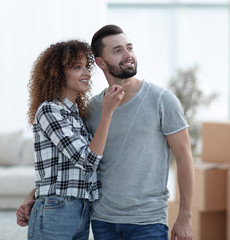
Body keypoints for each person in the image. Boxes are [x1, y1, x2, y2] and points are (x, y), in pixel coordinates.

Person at [18, 25, 195, 240]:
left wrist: (185, 216)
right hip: (101, 221)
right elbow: (74, 161)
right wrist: (37, 193)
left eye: (130, 47)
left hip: (147, 221)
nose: (128, 54)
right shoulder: (91, 110)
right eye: (118, 50)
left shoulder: (162, 100)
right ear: (100, 62)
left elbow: (185, 159)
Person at [16, 39, 128, 239]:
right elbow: (87, 161)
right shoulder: (49, 110)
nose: (86, 72)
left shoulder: (76, 114)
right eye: (77, 67)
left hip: (81, 210)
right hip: (57, 210)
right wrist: (107, 113)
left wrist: (34, 192)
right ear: (58, 74)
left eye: (87, 66)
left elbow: (63, 169)